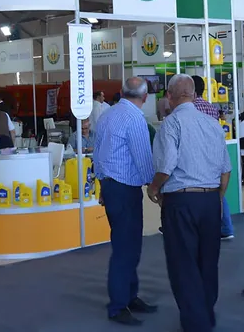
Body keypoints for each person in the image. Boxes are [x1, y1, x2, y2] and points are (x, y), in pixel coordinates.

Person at [147, 74, 231, 332]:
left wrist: (154, 187)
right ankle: (206, 313)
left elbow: (166, 165)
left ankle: (196, 323)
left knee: (183, 263)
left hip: (181, 200)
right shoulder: (213, 124)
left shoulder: (170, 124)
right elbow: (225, 169)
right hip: (210, 200)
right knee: (208, 260)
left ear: (169, 96)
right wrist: (217, 198)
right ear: (194, 95)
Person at [92, 77, 158, 326]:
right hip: (125, 189)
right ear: (145, 97)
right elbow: (143, 158)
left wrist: (101, 184)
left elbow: (97, 153)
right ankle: (118, 305)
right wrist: (154, 187)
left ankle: (130, 296)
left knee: (126, 245)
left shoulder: (107, 115)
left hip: (112, 186)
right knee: (126, 248)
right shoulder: (136, 119)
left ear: (121, 92)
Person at [191, 75, 234, 241]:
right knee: (218, 191)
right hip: (213, 153)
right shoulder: (212, 108)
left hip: (197, 154)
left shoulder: (190, 109)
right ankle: (226, 227)